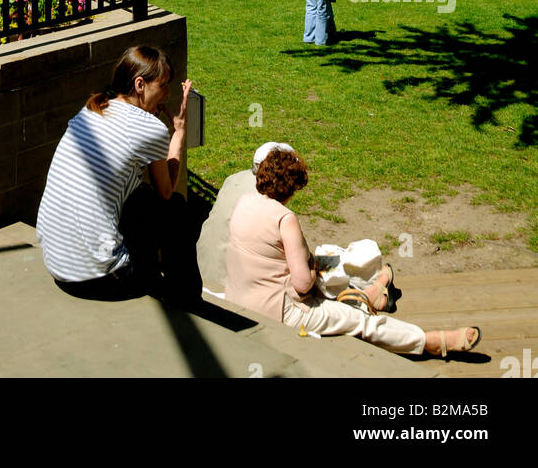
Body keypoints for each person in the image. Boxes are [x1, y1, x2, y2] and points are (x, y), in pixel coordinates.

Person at [224, 147, 481, 360]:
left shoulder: (245, 201)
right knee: (358, 320)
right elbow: (302, 284)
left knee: (328, 270)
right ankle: (430, 342)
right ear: (292, 187)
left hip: (238, 298)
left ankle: (371, 294)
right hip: (277, 311)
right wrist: (312, 266)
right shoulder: (284, 218)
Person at [36, 45, 202, 306]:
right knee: (177, 208)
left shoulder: (92, 109)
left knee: (141, 196)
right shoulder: (151, 128)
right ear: (140, 84)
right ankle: (188, 299)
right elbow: (167, 191)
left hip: (58, 263)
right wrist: (179, 131)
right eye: (163, 86)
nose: (168, 95)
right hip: (101, 277)